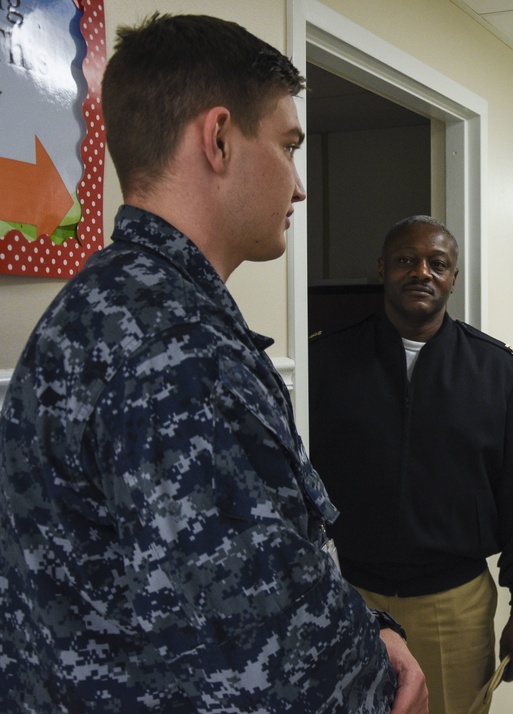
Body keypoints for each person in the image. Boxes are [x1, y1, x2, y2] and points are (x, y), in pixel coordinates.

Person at [0, 14, 427, 714]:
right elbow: (259, 656)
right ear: (220, 138)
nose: (299, 186)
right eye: (288, 146)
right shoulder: (176, 351)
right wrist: (383, 683)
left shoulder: (100, 307)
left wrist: (369, 629)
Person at [308, 215, 513, 714]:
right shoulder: (327, 360)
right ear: (382, 269)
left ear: (453, 278)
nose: (421, 272)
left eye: (436, 263)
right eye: (406, 260)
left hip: (454, 605)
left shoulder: (499, 372)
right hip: (350, 595)